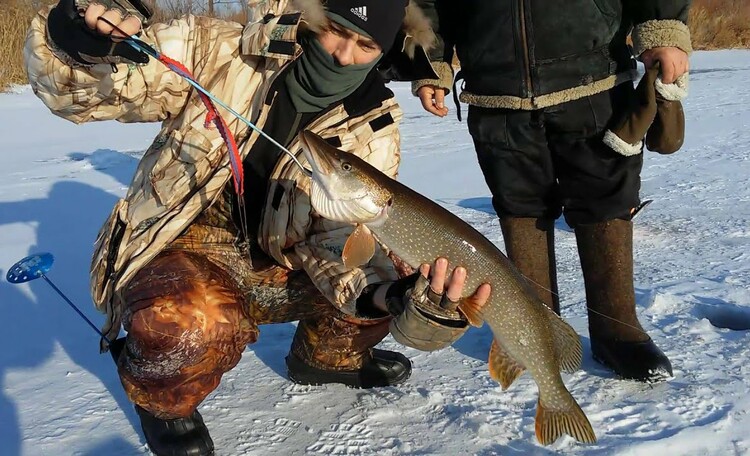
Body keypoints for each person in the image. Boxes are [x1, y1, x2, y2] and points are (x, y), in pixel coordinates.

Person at [24, 0, 491, 454]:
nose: (343, 55)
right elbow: (84, 91)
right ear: (313, 16)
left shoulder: (373, 124)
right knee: (191, 320)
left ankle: (328, 360)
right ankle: (165, 403)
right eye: (337, 30)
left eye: (365, 45)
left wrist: (401, 300)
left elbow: (333, 241)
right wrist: (79, 36)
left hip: (279, 257)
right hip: (183, 242)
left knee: (383, 269)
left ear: (383, 49)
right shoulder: (221, 48)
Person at [413, 1, 692, 383]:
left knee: (605, 199)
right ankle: (534, 330)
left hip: (594, 76)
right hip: (496, 90)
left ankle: (618, 331)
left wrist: (666, 29)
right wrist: (431, 62)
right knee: (519, 203)